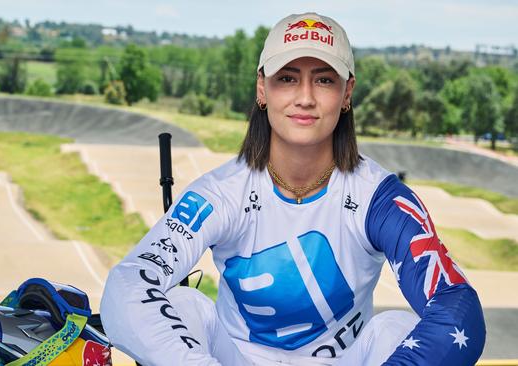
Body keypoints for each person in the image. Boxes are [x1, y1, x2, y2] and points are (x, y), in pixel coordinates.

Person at [100, 11, 485, 366]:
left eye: (323, 79)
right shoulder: (219, 191)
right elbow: (128, 281)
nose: (305, 97)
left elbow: (457, 304)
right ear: (262, 90)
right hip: (231, 359)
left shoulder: (380, 198)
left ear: (347, 93)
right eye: (287, 78)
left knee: (396, 329)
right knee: (184, 304)